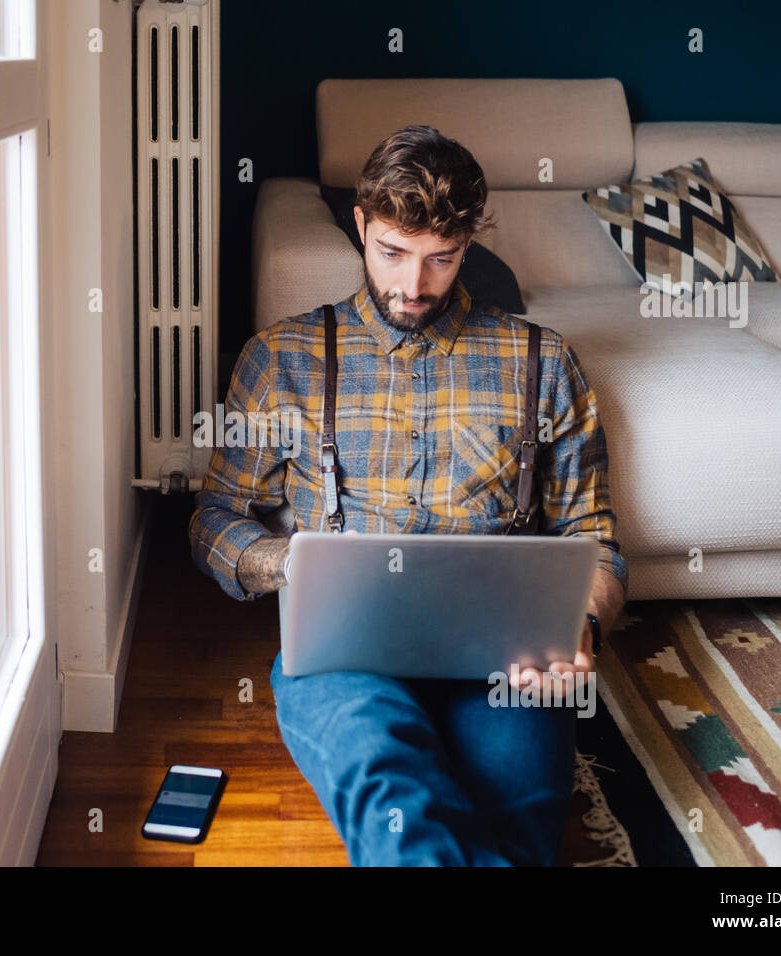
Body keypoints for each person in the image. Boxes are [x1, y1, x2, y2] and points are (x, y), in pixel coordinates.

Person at [188, 124, 628, 866]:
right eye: (392, 252)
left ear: (469, 246)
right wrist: (286, 565)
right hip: (342, 649)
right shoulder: (283, 358)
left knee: (520, 815)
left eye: (441, 260)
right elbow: (213, 521)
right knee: (392, 794)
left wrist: (580, 627)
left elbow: (596, 537)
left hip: (504, 654)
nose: (412, 287)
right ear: (361, 225)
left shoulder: (543, 362)